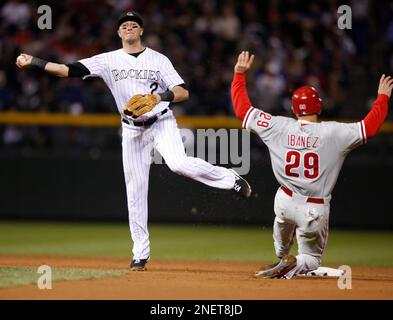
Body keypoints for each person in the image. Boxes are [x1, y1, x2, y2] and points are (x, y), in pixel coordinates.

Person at [16, 12, 252, 271]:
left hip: (161, 122)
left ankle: (230, 178)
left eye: (134, 25)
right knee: (135, 191)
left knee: (178, 164)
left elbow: (183, 92)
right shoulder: (107, 60)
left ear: (140, 32)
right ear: (119, 33)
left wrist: (159, 97)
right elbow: (66, 70)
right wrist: (34, 61)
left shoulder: (158, 59)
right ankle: (140, 254)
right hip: (131, 131)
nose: (129, 27)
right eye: (124, 25)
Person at [231, 51, 392, 279]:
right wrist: (382, 97)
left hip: (284, 201)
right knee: (312, 259)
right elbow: (370, 126)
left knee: (282, 233)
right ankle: (293, 263)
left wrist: (239, 74)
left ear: (295, 109)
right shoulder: (334, 132)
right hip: (313, 209)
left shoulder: (278, 125)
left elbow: (242, 109)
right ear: (319, 107)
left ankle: (282, 256)